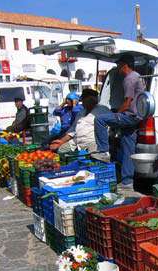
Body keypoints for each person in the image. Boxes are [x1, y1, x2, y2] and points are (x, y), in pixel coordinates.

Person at [94, 56, 145, 189]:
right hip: (137, 117)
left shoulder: (129, 79)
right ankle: (127, 181)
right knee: (128, 147)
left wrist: (117, 114)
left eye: (119, 66)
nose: (117, 69)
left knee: (100, 119)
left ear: (125, 65)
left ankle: (103, 151)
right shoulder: (138, 76)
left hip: (129, 116)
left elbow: (127, 102)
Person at [49, 89, 108, 154]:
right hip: (76, 141)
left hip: (93, 142)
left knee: (92, 156)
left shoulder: (103, 110)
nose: (83, 102)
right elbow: (72, 130)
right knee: (60, 150)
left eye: (84, 100)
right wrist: (61, 141)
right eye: (83, 100)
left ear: (93, 100)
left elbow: (110, 125)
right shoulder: (81, 112)